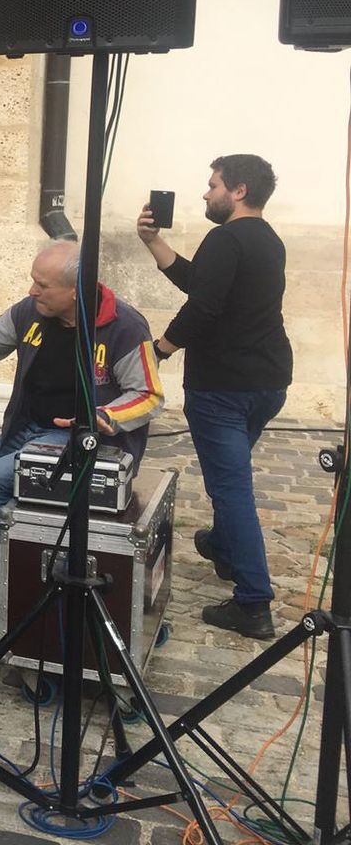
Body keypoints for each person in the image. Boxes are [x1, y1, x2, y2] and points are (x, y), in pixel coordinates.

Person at [0, 241, 161, 636]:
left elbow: (148, 395)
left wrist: (104, 416)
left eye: (43, 285)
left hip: (77, 442)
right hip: (23, 431)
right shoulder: (30, 312)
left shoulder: (125, 326)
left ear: (76, 290)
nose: (32, 290)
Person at [138, 155, 292, 638]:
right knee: (232, 476)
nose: (206, 194)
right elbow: (202, 283)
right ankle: (223, 546)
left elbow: (203, 305)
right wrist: (154, 242)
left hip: (223, 388)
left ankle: (253, 603)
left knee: (231, 489)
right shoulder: (267, 239)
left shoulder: (225, 238)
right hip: (268, 384)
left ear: (238, 190)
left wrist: (160, 349)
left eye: (213, 185)